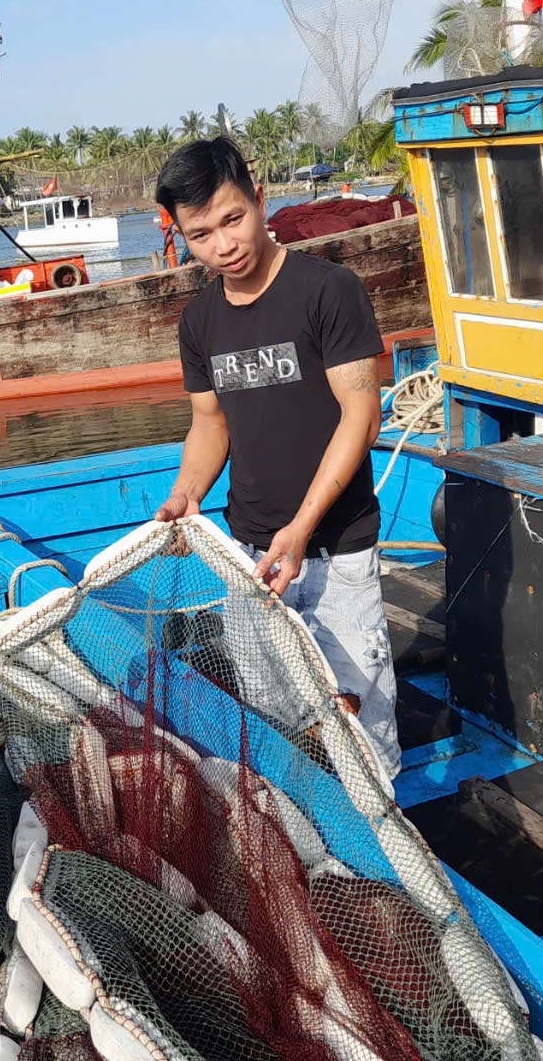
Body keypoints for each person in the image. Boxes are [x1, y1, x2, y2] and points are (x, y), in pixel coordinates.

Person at [151, 137, 400, 779]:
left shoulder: (327, 291)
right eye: (201, 234)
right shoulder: (200, 320)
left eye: (233, 220)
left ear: (260, 202)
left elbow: (361, 416)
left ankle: (386, 839)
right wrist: (186, 493)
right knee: (269, 706)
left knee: (357, 712)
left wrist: (302, 527)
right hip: (250, 551)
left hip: (336, 545)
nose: (223, 245)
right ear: (183, 237)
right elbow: (210, 423)